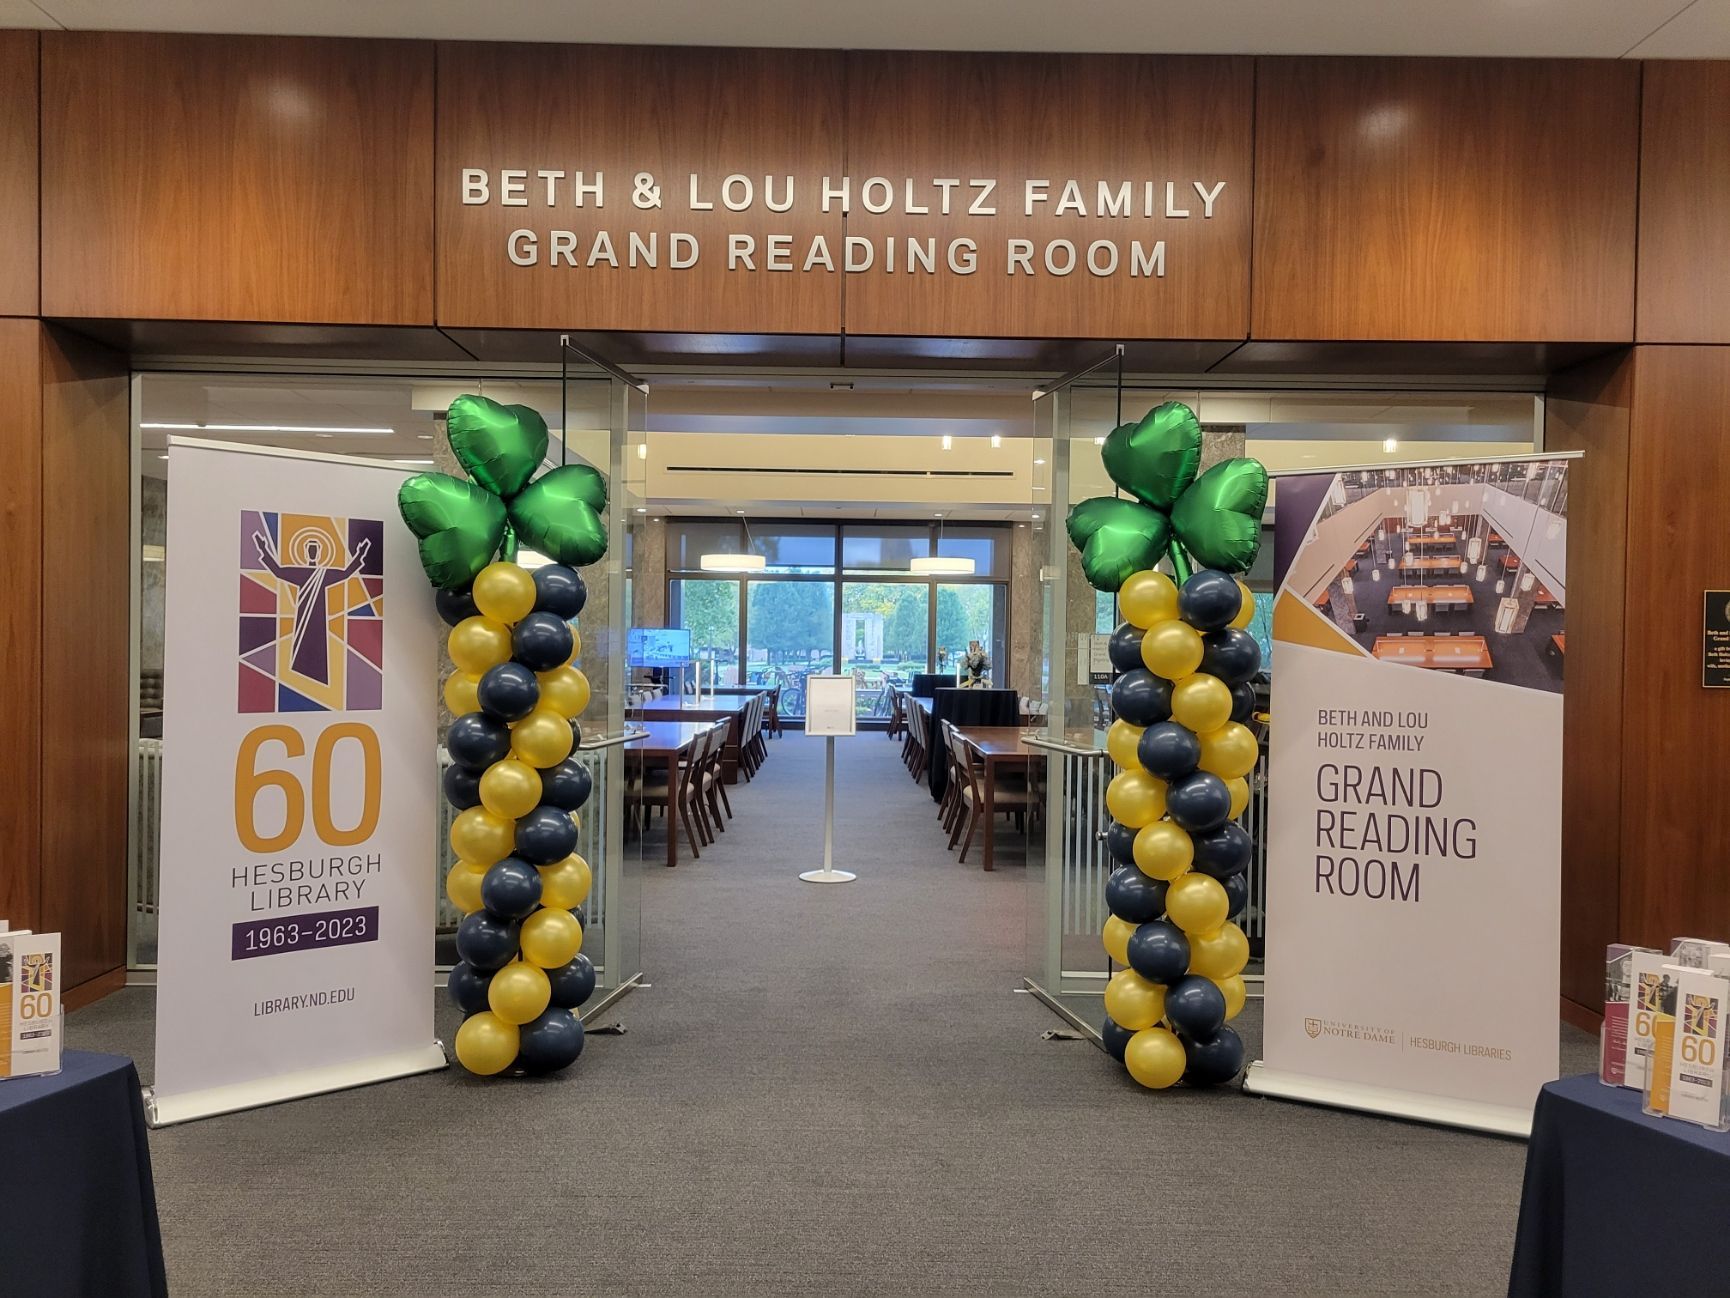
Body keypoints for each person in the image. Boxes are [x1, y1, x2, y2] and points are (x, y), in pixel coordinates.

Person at [253, 529, 370, 686]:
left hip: (318, 618)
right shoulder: (301, 572)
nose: (313, 552)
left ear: (319, 552)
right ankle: (300, 676)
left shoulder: (323, 573)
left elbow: (345, 574)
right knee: (302, 647)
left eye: (315, 549)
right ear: (307, 552)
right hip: (303, 617)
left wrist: (359, 555)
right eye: (310, 549)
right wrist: (264, 550)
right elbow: (278, 571)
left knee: (318, 645)